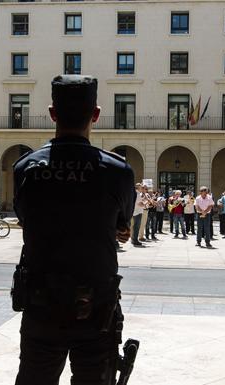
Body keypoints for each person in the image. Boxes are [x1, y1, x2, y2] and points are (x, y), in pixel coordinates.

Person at [12, 75, 135, 385]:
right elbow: (122, 224)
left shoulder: (26, 168)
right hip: (96, 307)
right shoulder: (117, 170)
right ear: (95, 114)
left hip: (42, 304)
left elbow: (26, 219)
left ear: (53, 113)